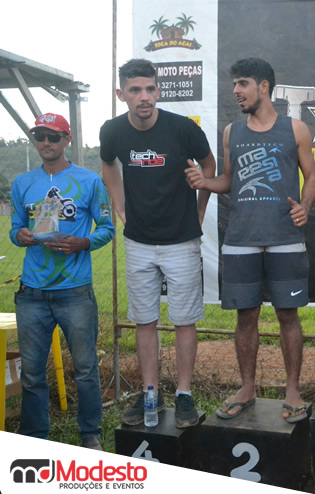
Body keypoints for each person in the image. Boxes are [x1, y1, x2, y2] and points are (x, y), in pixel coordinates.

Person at [185, 58, 315, 422]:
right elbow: (230, 180)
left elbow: (311, 176)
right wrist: (205, 182)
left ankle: (293, 391)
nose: (236, 91)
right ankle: (247, 388)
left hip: (285, 238)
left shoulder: (296, 129)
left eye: (242, 83)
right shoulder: (232, 132)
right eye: (234, 84)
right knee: (246, 318)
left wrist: (305, 207)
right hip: (241, 239)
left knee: (288, 316)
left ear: (263, 87)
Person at [100, 59, 217, 429]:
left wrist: (200, 209)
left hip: (181, 240)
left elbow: (209, 166)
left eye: (150, 89)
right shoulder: (112, 131)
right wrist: (120, 207)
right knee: (144, 320)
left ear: (159, 90)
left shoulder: (183, 129)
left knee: (184, 320)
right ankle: (150, 392)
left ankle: (184, 394)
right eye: (135, 90)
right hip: (138, 241)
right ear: (121, 94)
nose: (144, 97)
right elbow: (108, 165)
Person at [10, 113, 114, 450]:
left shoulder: (89, 181)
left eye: (53, 136)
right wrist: (20, 235)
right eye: (39, 136)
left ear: (67, 140)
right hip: (32, 292)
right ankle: (35, 439)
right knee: (31, 372)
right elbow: (14, 228)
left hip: (74, 291)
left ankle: (90, 434)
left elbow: (107, 228)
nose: (45, 143)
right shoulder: (23, 183)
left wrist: (84, 243)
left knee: (85, 369)